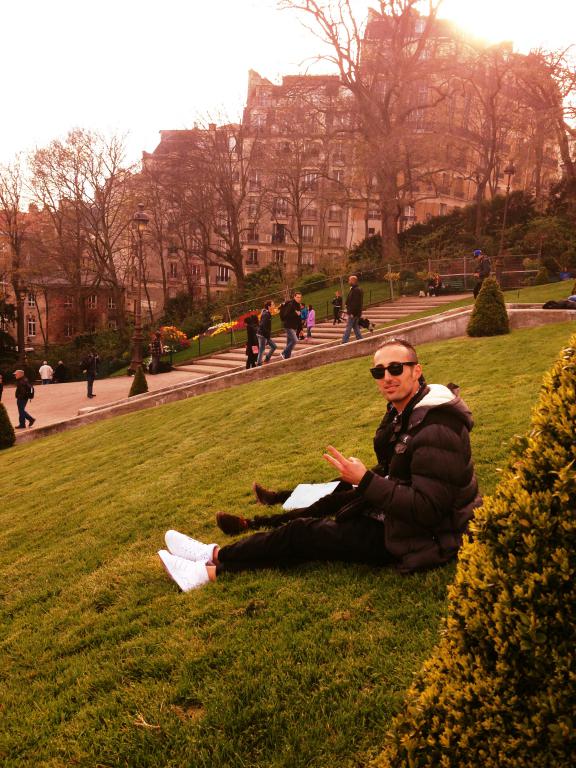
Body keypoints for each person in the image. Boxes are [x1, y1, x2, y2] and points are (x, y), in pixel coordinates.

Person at [157, 338, 481, 591]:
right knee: (325, 508)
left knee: (303, 534)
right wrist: (361, 480)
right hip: (401, 518)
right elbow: (397, 469)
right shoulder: (406, 411)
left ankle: (211, 563)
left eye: (396, 369)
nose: (387, 378)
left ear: (416, 370)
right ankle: (211, 562)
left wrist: (366, 481)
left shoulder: (437, 428)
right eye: (378, 372)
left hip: (424, 537)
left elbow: (427, 509)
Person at [280, 291, 302, 359]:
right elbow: (286, 315)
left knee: (289, 342)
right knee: (295, 340)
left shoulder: (298, 305)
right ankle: (283, 352)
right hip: (288, 326)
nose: (299, 299)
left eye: (300, 297)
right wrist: (295, 314)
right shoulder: (291, 304)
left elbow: (299, 318)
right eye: (297, 297)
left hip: (294, 326)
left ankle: (287, 358)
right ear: (294, 297)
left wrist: (300, 329)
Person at [342, 275, 364, 343]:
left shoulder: (356, 290)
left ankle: (344, 342)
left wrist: (352, 313)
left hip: (353, 313)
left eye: (349, 280)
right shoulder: (354, 289)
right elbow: (350, 300)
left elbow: (356, 303)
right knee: (355, 327)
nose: (348, 281)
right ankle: (360, 340)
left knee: (348, 327)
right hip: (355, 312)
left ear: (353, 281)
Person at [256, 301, 277, 365]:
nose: (274, 306)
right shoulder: (266, 314)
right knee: (262, 349)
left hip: (265, 335)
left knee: (274, 346)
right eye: (273, 305)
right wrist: (267, 336)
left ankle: (267, 359)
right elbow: (262, 326)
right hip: (262, 335)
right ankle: (259, 363)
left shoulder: (267, 313)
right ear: (269, 306)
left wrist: (267, 336)